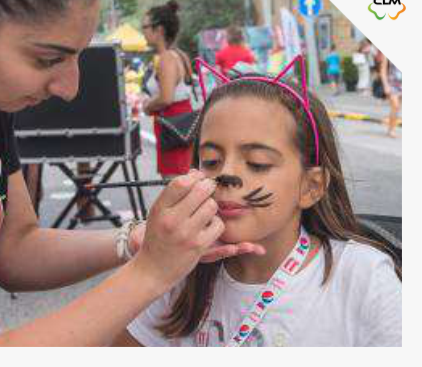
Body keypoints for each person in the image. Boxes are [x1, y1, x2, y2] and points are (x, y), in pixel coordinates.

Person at [0, 0, 266, 347]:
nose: (70, 88)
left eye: (78, 55)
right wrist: (151, 271)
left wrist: (137, 239)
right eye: (47, 59)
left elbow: (16, 248)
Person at [113, 57, 402, 347]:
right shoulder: (178, 272)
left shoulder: (364, 279)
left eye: (257, 163)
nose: (226, 174)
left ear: (311, 186)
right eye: (211, 161)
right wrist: (151, 265)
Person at [141, 0, 196, 179]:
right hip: (181, 125)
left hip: (172, 127)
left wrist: (147, 106)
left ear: (159, 29)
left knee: (175, 182)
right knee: (184, 180)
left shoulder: (166, 58)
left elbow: (166, 98)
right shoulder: (180, 54)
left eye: (145, 27)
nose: (143, 32)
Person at [378, 52, 402, 138]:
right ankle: (391, 130)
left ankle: (391, 127)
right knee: (395, 106)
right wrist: (386, 85)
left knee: (397, 108)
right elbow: (383, 70)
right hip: (392, 84)